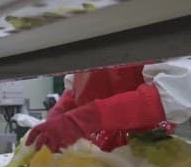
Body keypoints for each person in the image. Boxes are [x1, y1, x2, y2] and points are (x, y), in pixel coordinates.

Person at [25, 60, 191, 152]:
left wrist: (81, 121)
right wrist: (62, 108)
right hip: (102, 157)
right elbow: (82, 81)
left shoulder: (160, 12)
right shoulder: (95, 24)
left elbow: (177, 90)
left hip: (149, 157)